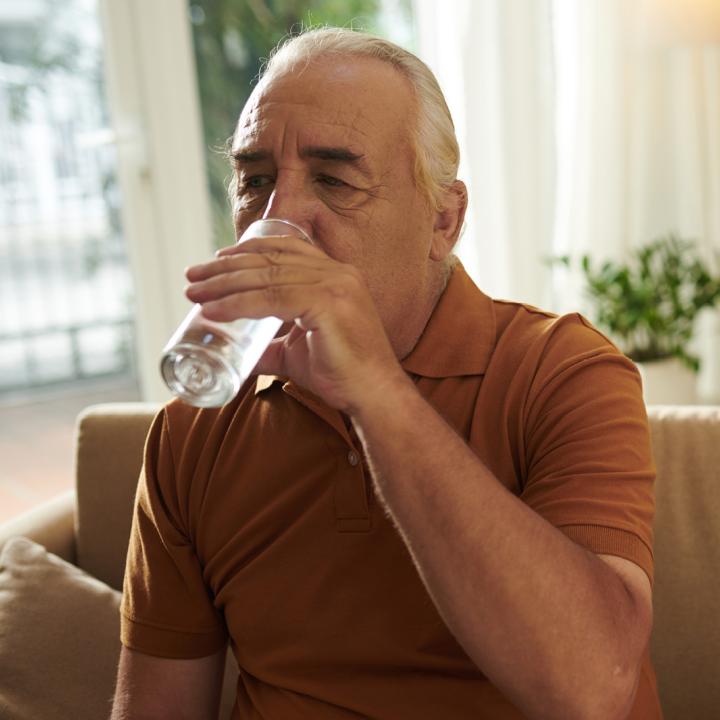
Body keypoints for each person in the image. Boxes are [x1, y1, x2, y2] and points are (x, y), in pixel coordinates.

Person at [111, 27, 661, 720]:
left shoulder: (563, 372)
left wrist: (376, 394)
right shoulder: (194, 432)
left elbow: (594, 685)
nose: (280, 219)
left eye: (334, 180)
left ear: (444, 219)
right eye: (255, 180)